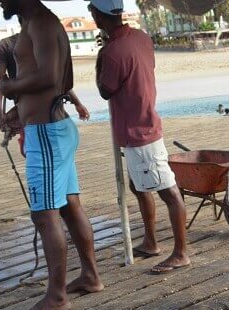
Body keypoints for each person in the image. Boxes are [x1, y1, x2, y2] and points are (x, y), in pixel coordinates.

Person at [0, 0, 103, 310]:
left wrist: (8, 86)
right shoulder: (34, 24)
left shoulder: (42, 23)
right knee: (70, 206)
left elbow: (51, 77)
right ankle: (90, 276)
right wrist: (19, 109)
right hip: (52, 129)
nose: (0, 1)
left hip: (47, 134)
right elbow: (53, 82)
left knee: (44, 215)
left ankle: (56, 296)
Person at [90, 0, 190, 274]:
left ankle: (180, 252)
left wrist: (100, 59)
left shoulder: (112, 52)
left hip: (139, 130)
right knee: (139, 186)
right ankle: (151, 241)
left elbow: (105, 89)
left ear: (98, 15)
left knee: (167, 190)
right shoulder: (141, 38)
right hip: (142, 124)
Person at [0, 27, 91, 150]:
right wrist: (78, 104)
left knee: (40, 152)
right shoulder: (9, 45)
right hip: (46, 114)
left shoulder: (6, 45)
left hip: (41, 114)